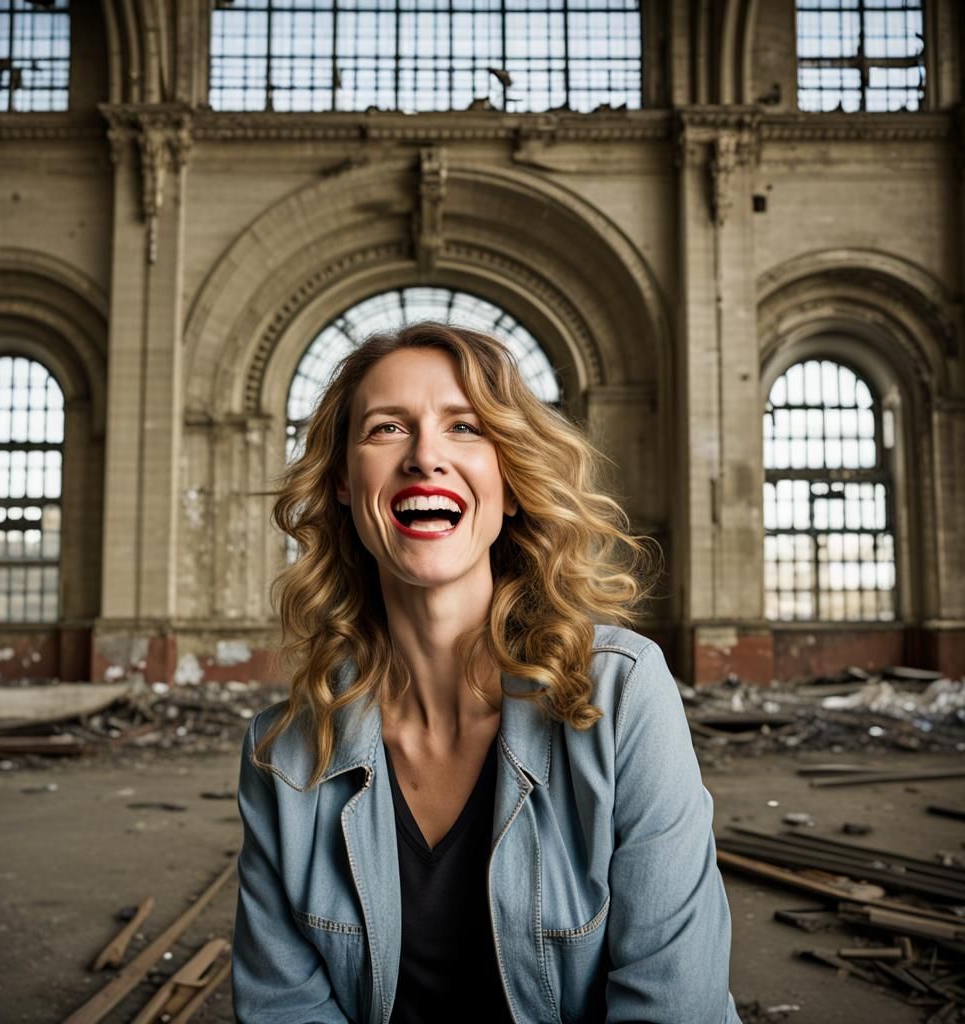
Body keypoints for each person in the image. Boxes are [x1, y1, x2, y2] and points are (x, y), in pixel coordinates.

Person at [232, 322, 742, 1024]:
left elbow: (674, 1004)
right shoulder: (283, 756)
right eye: (386, 428)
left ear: (511, 484)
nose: (425, 456)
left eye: (465, 427)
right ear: (344, 483)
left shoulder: (623, 693)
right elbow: (284, 1009)